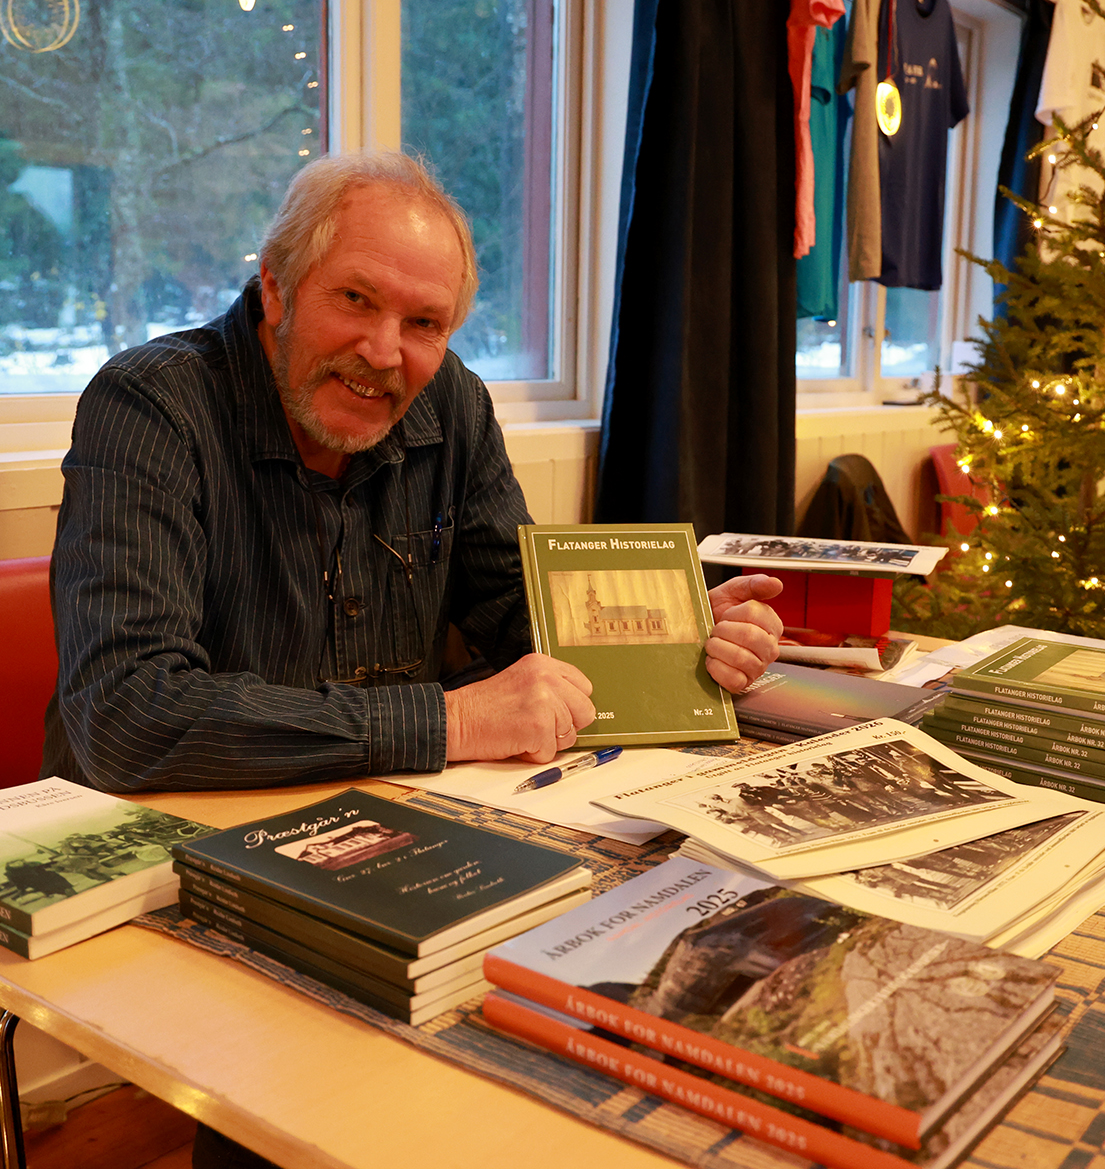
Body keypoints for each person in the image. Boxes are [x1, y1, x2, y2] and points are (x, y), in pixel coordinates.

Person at [41, 149, 784, 793]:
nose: (384, 352)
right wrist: (452, 720)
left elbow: (520, 615)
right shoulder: (150, 404)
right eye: (356, 299)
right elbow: (126, 713)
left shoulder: (452, 402)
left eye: (424, 323)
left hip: (384, 820)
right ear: (276, 287)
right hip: (161, 843)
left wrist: (667, 636)